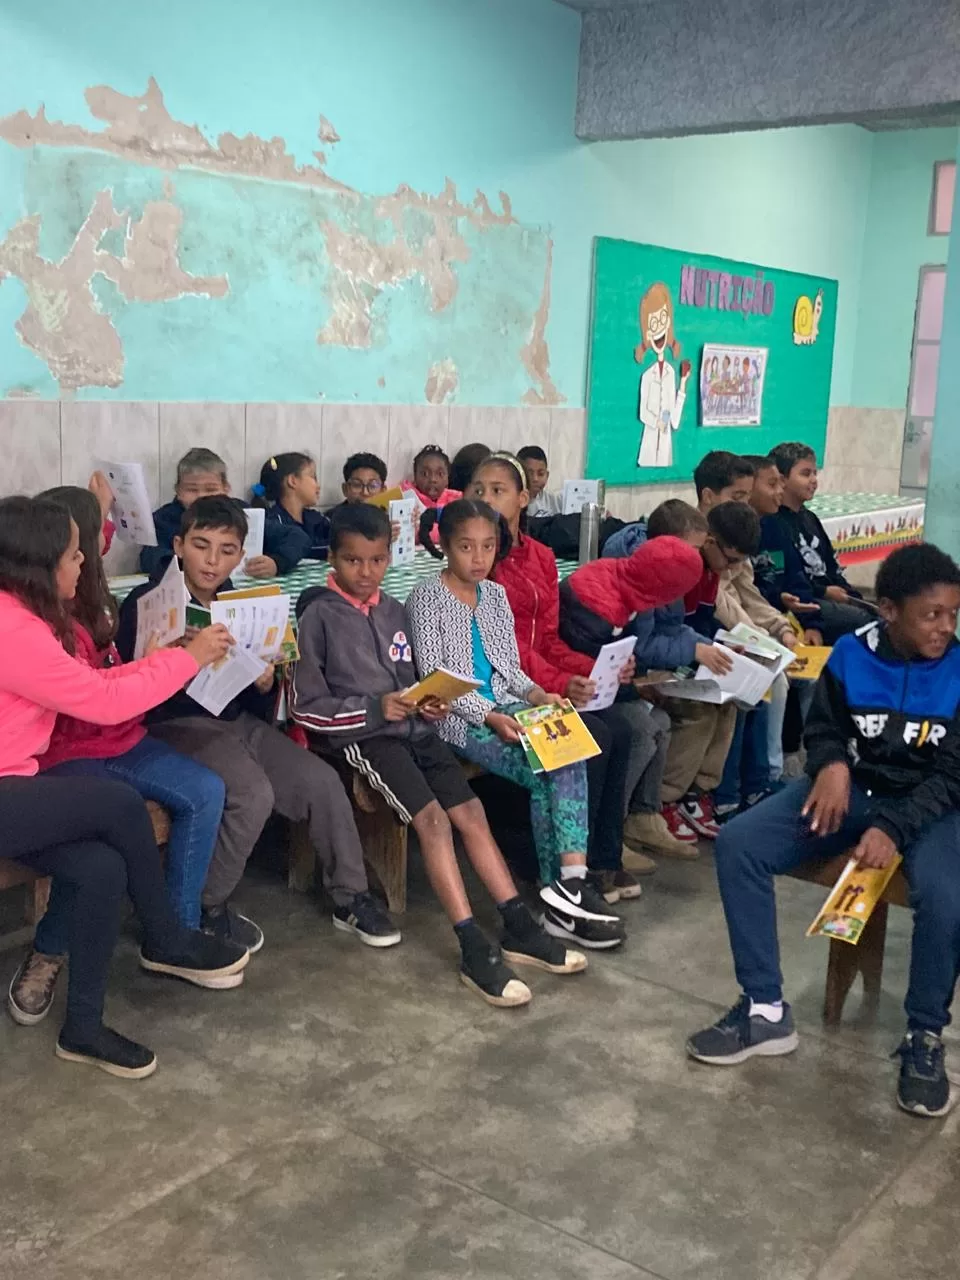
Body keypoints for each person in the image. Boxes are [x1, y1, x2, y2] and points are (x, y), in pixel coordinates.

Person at [687, 543, 960, 1120]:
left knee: (946, 893)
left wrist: (892, 826)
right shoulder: (850, 657)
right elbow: (825, 727)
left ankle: (924, 1036)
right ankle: (764, 1009)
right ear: (888, 610)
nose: (945, 627)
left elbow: (952, 776)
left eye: (952, 614)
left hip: (932, 807)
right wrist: (831, 764)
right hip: (852, 792)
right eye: (931, 615)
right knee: (741, 844)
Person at [291, 503, 586, 1006]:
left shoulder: (392, 610)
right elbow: (306, 708)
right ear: (331, 562)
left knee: (472, 811)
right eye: (353, 561)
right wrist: (373, 709)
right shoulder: (318, 616)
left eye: (378, 560)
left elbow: (411, 679)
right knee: (434, 821)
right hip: (368, 740)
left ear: (391, 557)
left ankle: (516, 922)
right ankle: (471, 942)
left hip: (416, 729)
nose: (367, 573)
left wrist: (426, 703)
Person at [0, 495, 247, 1078]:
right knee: (117, 803)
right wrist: (187, 660)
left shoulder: (25, 619)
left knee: (102, 868)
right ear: (41, 567)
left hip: (19, 789)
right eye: (71, 553)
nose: (83, 560)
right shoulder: (13, 630)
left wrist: (158, 662)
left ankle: (82, 1028)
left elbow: (90, 682)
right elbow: (105, 703)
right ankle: (164, 937)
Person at [118, 496, 401, 952]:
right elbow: (127, 684)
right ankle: (204, 907)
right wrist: (169, 653)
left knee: (321, 781)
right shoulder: (148, 600)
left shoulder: (242, 603)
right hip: (177, 726)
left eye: (227, 550)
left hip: (237, 720)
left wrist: (266, 678)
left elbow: (254, 692)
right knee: (253, 794)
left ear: (241, 553)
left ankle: (352, 897)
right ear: (178, 544)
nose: (213, 561)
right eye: (201, 545)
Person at [407, 499, 625, 949]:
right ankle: (565, 896)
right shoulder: (426, 598)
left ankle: (565, 888)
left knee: (568, 748)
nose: (479, 557)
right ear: (444, 546)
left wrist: (538, 696)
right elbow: (434, 681)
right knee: (549, 768)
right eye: (466, 546)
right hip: (458, 720)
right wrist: (490, 715)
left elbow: (510, 670)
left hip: (510, 706)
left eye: (487, 546)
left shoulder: (496, 596)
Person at [470, 451, 690, 885]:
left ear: (523, 499)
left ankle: (605, 858)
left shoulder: (541, 558)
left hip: (540, 677)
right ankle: (559, 865)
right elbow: (507, 651)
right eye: (478, 490)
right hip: (507, 684)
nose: (487, 499)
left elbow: (547, 640)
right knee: (599, 735)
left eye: (498, 491)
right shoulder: (480, 564)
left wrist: (590, 672)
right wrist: (559, 683)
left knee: (625, 730)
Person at [694, 453, 792, 817]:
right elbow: (720, 603)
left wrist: (779, 629)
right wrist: (757, 642)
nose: (746, 504)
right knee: (751, 682)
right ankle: (728, 792)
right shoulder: (701, 544)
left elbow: (748, 595)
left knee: (770, 675)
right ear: (707, 496)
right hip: (708, 639)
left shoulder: (735, 536)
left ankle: (761, 781)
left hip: (727, 633)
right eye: (737, 497)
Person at [754, 442, 875, 644]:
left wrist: (853, 596)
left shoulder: (809, 518)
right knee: (863, 621)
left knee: (879, 615)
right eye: (805, 474)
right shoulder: (771, 522)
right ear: (783, 480)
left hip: (823, 597)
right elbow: (785, 580)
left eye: (815, 474)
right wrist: (824, 594)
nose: (813, 481)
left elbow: (832, 566)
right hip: (804, 601)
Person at [140, 447, 308, 578]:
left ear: (226, 488)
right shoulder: (163, 519)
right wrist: (193, 564)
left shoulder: (241, 513)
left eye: (211, 489)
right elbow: (151, 559)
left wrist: (276, 562)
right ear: (178, 490)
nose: (201, 497)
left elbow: (297, 537)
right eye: (192, 489)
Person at [252, 452, 329, 561]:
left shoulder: (316, 518)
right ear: (292, 481)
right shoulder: (273, 521)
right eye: (313, 477)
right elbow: (303, 548)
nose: (318, 486)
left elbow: (339, 539)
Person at [401, 445, 461, 512]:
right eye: (425, 474)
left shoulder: (456, 501)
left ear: (447, 478)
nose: (433, 479)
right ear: (415, 476)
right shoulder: (405, 499)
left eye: (440, 474)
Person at [516, 445, 561, 518]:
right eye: (529, 473)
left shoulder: (554, 501)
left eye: (541, 474)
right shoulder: (511, 501)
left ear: (547, 475)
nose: (535, 479)